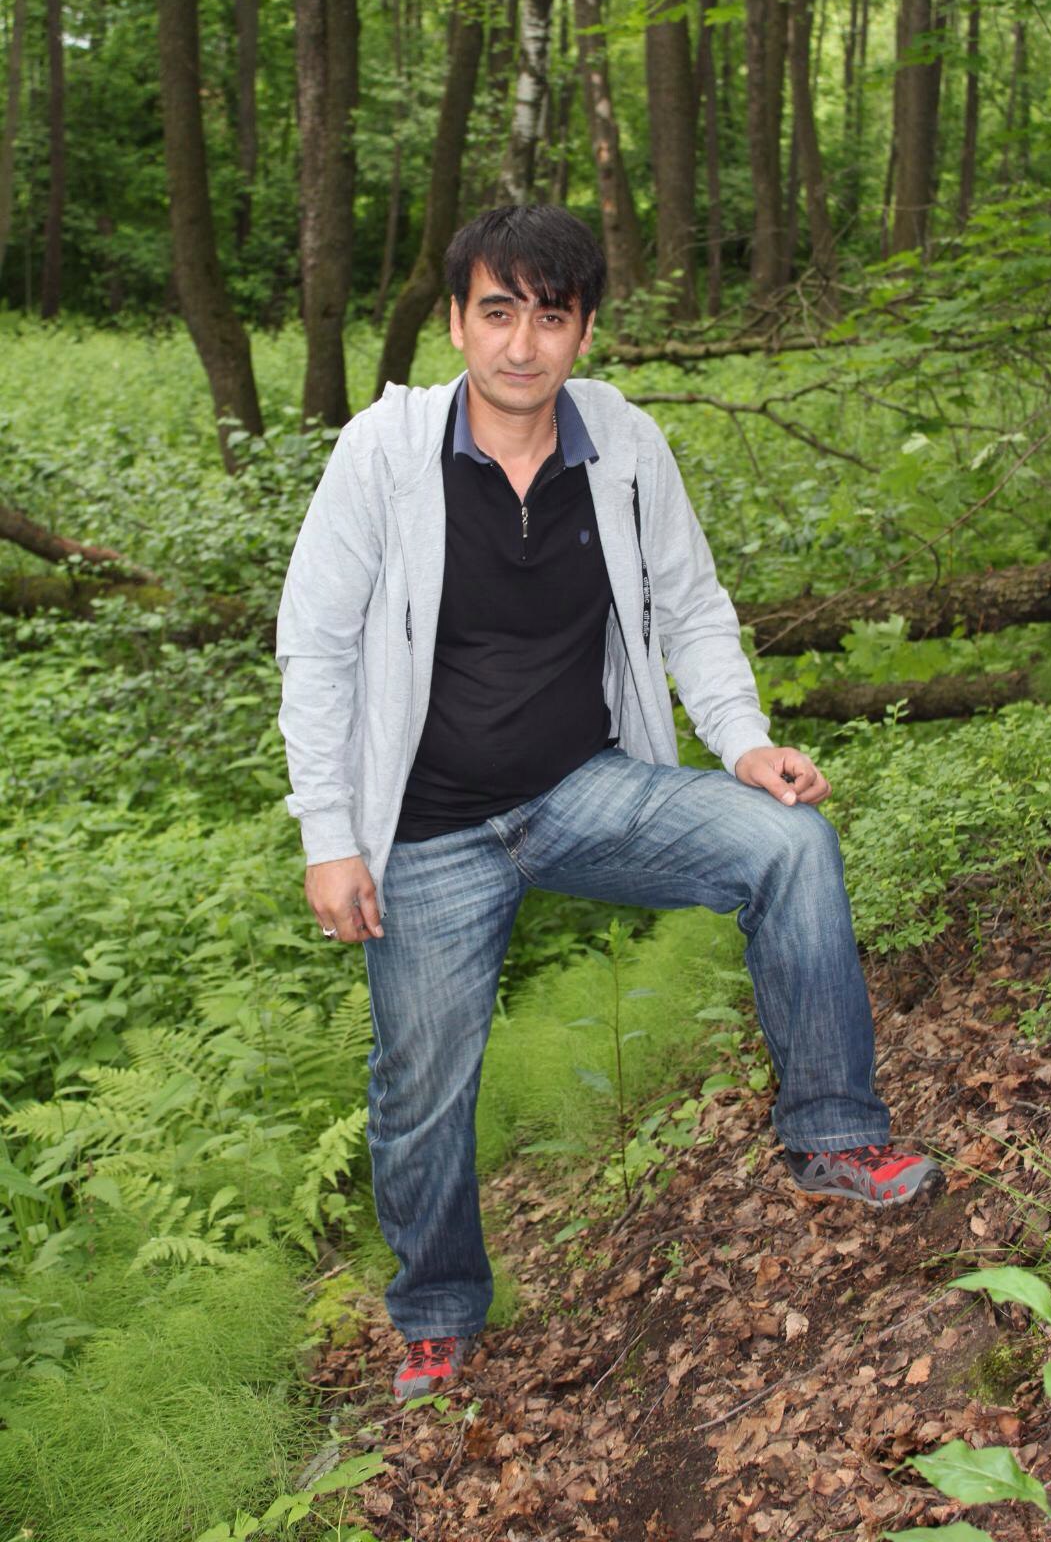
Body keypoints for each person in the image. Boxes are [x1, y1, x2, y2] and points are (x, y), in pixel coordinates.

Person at [276, 205, 939, 1402]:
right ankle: (438, 1315)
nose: (520, 344)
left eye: (550, 316)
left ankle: (834, 1138)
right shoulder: (383, 455)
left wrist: (743, 742)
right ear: (456, 321)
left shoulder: (625, 445)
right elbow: (314, 649)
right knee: (420, 1087)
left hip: (580, 788)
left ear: (583, 331)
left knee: (789, 842)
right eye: (496, 313)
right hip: (426, 834)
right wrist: (332, 838)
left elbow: (690, 606)